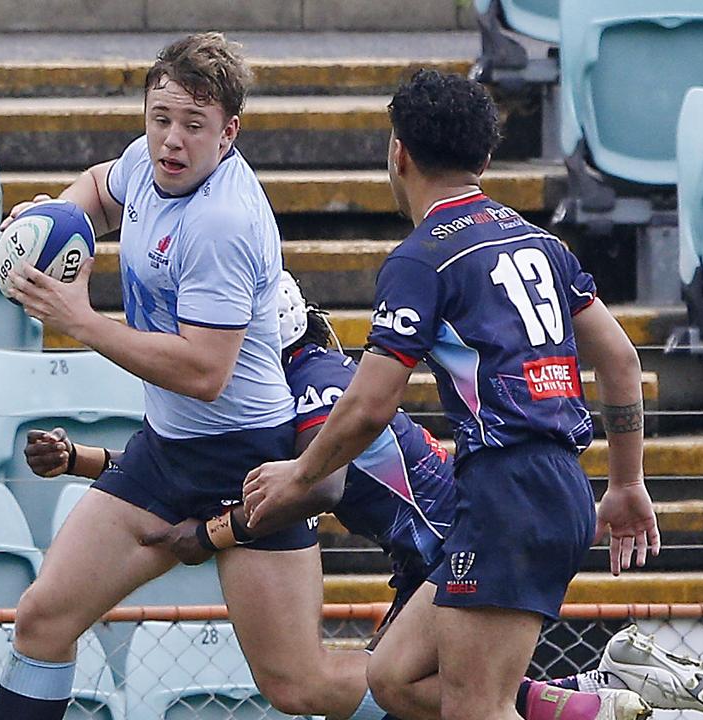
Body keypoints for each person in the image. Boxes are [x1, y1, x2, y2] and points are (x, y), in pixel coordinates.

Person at [34, 271, 703, 719]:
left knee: (408, 695)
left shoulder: (306, 388)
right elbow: (205, 470)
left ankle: (590, 693)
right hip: (437, 546)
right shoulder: (304, 378)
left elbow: (320, 483)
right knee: (406, 695)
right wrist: (85, 461)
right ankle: (591, 689)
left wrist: (214, 535)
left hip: (446, 548)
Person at [242, 69, 673, 720]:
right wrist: (625, 481)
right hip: (548, 486)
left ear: (399, 153)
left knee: (477, 706)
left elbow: (367, 406)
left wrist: (298, 475)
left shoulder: (421, 259)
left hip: (507, 490)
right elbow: (617, 357)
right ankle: (586, 708)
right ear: (487, 158)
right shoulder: (540, 242)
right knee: (394, 676)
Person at [0, 33, 372, 720]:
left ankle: (478, 696)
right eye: (160, 118)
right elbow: (101, 192)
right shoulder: (148, 161)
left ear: (227, 134)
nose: (171, 139)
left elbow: (203, 373)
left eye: (193, 126)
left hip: (249, 461)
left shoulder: (222, 221)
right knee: (42, 620)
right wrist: (52, 215)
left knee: (299, 686)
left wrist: (78, 320)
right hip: (164, 454)